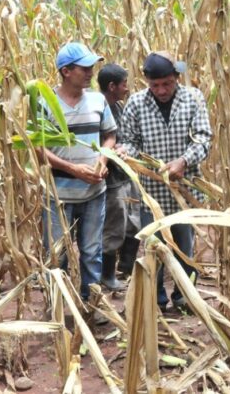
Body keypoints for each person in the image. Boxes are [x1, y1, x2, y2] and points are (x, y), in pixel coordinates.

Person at [119, 51, 212, 311]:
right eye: (155, 85)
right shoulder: (136, 103)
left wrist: (183, 161)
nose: (161, 90)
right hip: (151, 193)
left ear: (176, 77)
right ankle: (156, 298)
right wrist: (126, 152)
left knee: (184, 247)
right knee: (154, 247)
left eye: (167, 84)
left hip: (185, 190)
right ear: (147, 82)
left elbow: (204, 138)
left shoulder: (193, 98)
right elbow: (130, 141)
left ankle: (184, 297)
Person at [37, 42, 117, 301]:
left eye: (91, 66)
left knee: (92, 251)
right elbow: (35, 148)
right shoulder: (45, 103)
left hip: (95, 192)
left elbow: (109, 136)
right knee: (56, 254)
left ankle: (92, 303)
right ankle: (57, 306)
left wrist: (102, 163)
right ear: (66, 71)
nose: (91, 72)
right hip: (58, 195)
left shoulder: (98, 100)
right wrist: (73, 169)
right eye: (84, 68)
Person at [96, 63, 141, 290]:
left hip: (126, 176)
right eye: (124, 83)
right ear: (112, 86)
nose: (127, 88)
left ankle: (126, 268)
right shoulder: (98, 108)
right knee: (113, 228)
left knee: (133, 223)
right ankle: (107, 275)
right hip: (112, 181)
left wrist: (125, 148)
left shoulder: (119, 107)